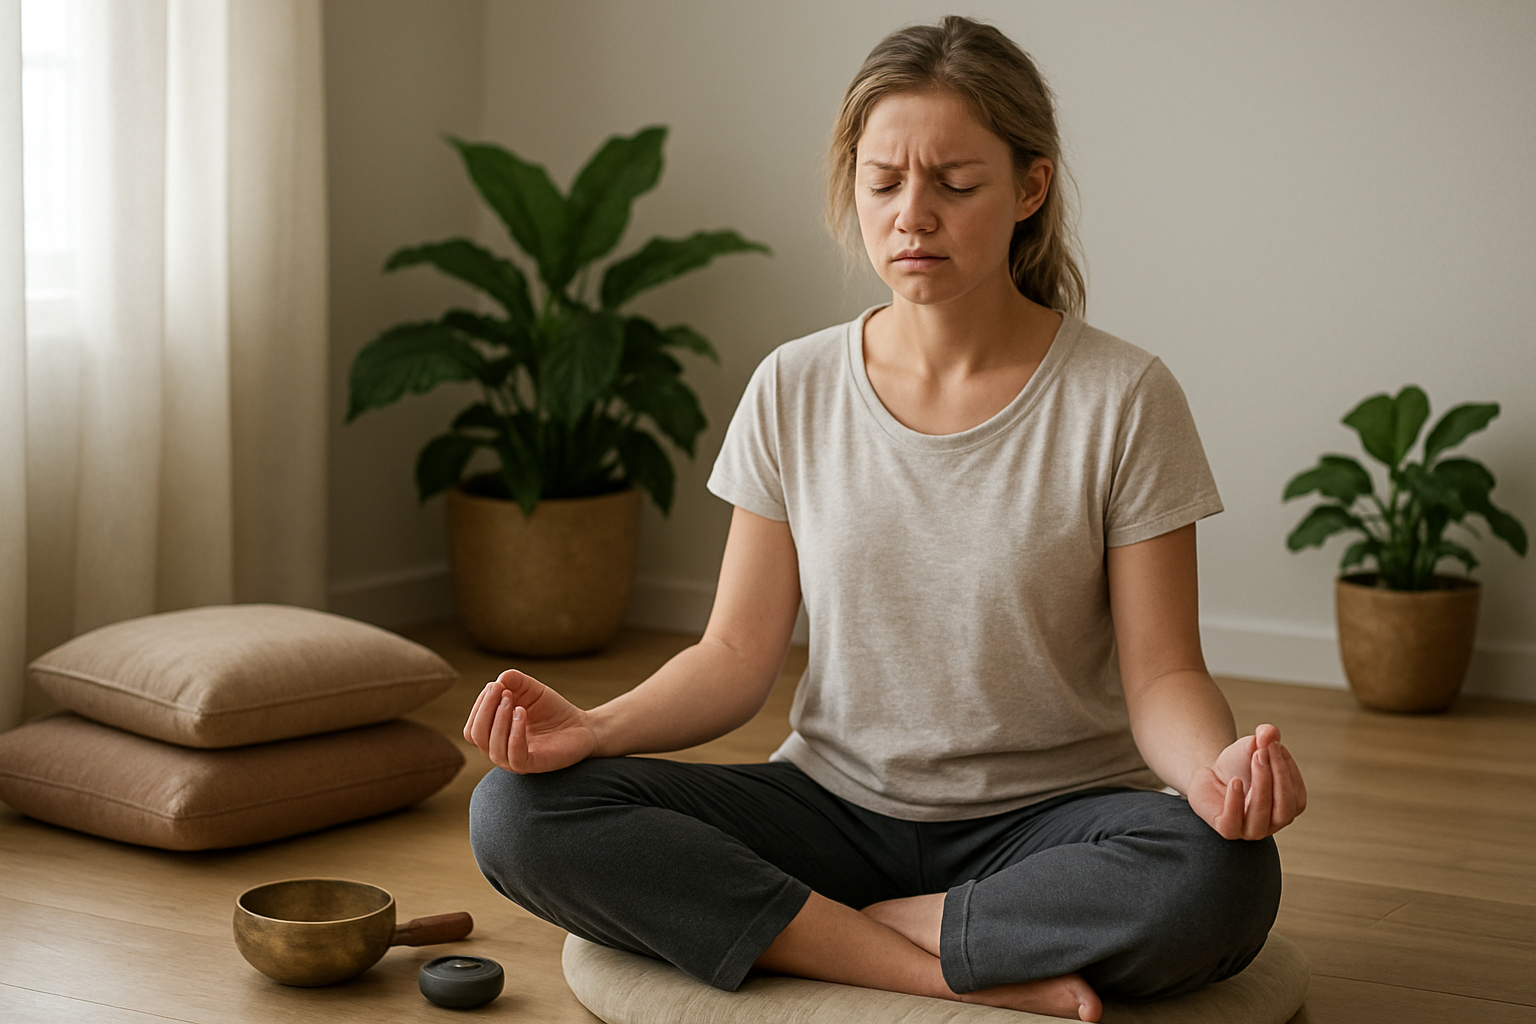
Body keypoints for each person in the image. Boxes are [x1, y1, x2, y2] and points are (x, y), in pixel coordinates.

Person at [464, 16, 1306, 1023]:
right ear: (852, 185)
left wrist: (1217, 777)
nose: (914, 215)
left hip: (1048, 823)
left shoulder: (1124, 396)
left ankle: (845, 926)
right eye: (884, 182)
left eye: (955, 184)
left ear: (1029, 189)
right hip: (831, 808)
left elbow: (1163, 672)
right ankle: (918, 954)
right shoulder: (795, 385)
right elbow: (735, 653)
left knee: (1222, 876)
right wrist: (592, 728)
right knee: (517, 810)